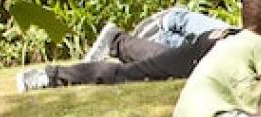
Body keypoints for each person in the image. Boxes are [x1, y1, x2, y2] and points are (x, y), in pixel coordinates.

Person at [14, 11, 232, 93]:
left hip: (205, 53)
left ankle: (120, 42)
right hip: (202, 43)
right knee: (132, 72)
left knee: (156, 65)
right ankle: (51, 76)